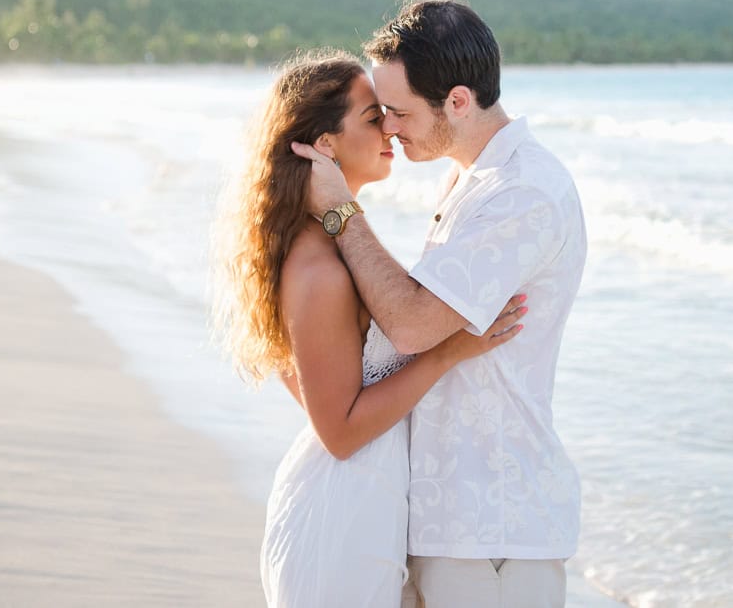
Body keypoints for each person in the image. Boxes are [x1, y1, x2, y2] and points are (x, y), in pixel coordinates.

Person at [292, 0, 587, 608]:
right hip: (446, 512)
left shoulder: (523, 191)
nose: (390, 129)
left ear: (457, 101)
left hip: (494, 520)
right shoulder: (468, 179)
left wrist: (342, 211)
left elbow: (409, 324)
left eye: (397, 112)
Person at [213, 50, 527, 608]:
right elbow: (340, 432)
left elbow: (314, 390)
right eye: (371, 116)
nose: (388, 127)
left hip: (362, 505)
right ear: (325, 145)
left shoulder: (319, 247)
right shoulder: (320, 269)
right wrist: (449, 351)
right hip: (343, 517)